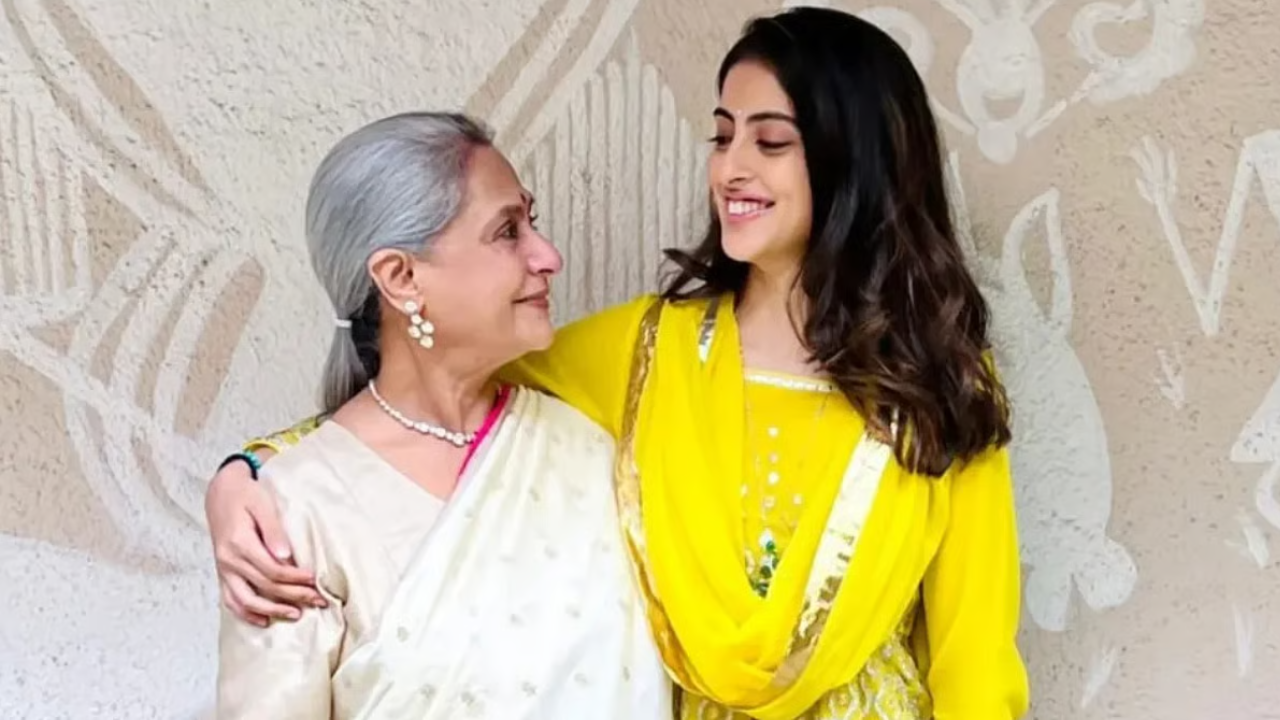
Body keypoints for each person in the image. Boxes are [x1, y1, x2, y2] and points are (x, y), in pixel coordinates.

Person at [206, 8, 1030, 719]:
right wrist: (249, 474)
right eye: (722, 135)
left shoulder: (937, 383)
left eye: (771, 141)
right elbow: (431, 386)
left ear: (858, 163)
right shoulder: (643, 353)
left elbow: (977, 665)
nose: (731, 168)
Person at [212, 111, 670, 719]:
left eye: (532, 222)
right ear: (401, 277)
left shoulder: (589, 447)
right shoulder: (293, 511)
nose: (548, 256)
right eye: (507, 231)